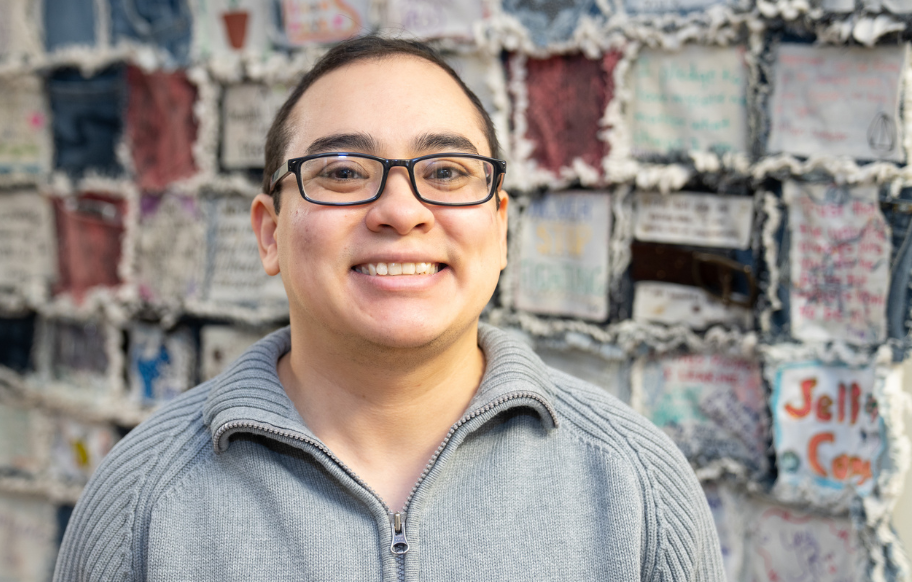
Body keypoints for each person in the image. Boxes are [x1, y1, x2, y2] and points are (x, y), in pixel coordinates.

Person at [54, 36, 724, 581]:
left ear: (499, 229)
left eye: (446, 172)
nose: (401, 211)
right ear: (270, 234)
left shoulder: (636, 483)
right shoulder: (141, 500)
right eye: (343, 172)